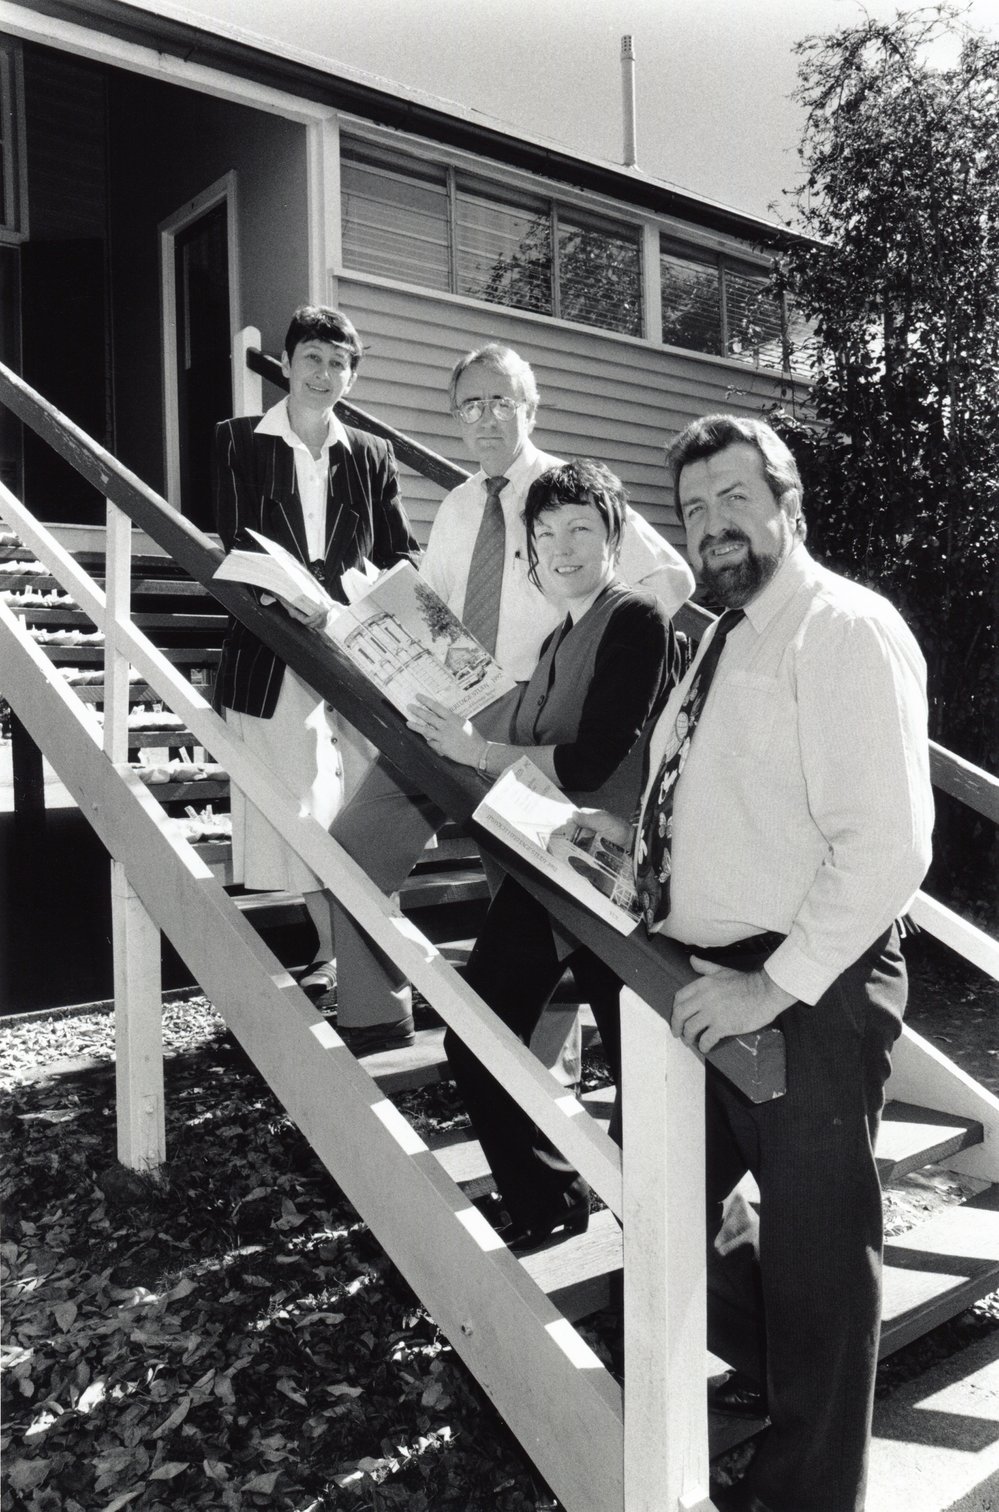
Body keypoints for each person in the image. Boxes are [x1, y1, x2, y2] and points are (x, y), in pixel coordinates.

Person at [568, 415, 934, 1512]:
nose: (713, 525)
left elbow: (889, 844)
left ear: (790, 505)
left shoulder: (841, 629)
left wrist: (771, 988)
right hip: (703, 979)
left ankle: (805, 1490)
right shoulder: (719, 636)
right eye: (693, 509)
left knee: (818, 1261)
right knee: (659, 1206)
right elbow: (717, 795)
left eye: (734, 498)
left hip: (806, 987)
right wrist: (629, 855)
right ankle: (785, 1379)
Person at [330, 342, 694, 1052]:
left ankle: (540, 1064)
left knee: (532, 895)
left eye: (502, 401)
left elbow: (669, 580)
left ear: (530, 409)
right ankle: (376, 1016)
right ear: (457, 418)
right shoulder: (460, 504)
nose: (487, 417)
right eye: (471, 405)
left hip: (534, 714)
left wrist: (587, 663)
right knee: (354, 845)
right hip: (451, 701)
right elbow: (433, 603)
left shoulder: (567, 494)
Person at [407, 459, 680, 1249]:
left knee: (639, 1071)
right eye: (546, 533)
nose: (561, 548)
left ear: (614, 539)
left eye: (580, 529)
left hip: (605, 877)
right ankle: (554, 1200)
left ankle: (660, 1237)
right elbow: (522, 745)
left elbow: (592, 761)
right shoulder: (560, 634)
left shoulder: (634, 620)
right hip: (554, 870)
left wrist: (477, 750)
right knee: (489, 1037)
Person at [213, 305, 419, 1009]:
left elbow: (399, 553)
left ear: (350, 376)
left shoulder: (371, 454)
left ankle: (373, 951)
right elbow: (233, 543)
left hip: (356, 648)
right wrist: (283, 598)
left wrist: (362, 600)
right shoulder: (238, 441)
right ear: (286, 363)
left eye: (338, 363)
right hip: (273, 646)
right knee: (302, 804)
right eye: (312, 358)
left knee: (367, 807)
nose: (324, 374)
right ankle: (334, 952)